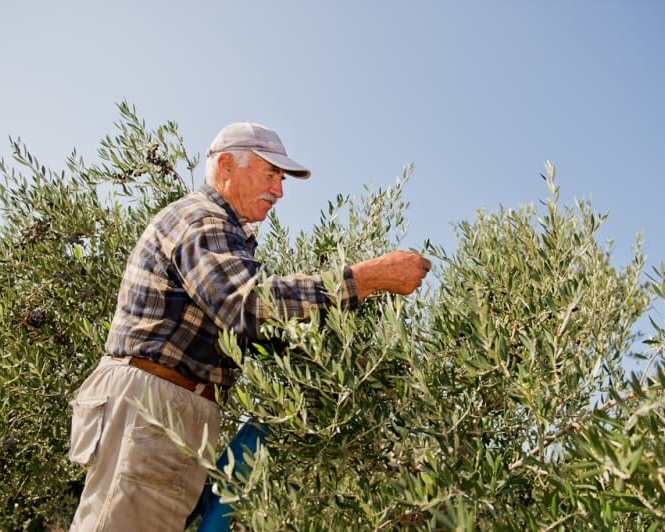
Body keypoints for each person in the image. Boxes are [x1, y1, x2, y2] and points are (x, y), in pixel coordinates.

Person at [67, 122, 431, 531]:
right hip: (154, 404)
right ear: (226, 165)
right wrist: (364, 279)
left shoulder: (227, 235)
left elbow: (250, 327)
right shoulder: (201, 220)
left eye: (282, 179)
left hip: (170, 405)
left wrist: (336, 358)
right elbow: (246, 304)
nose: (279, 190)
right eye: (271, 173)